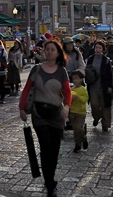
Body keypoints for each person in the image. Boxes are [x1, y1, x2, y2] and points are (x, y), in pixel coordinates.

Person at [19, 39, 71, 197]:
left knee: (54, 149)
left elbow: (67, 91)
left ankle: (51, 177)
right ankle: (49, 182)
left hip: (56, 114)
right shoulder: (36, 69)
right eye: (46, 49)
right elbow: (27, 89)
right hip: (39, 114)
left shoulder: (61, 71)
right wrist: (22, 108)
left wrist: (67, 106)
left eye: (52, 49)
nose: (49, 52)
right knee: (45, 145)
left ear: (58, 53)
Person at [85, 41, 113, 131]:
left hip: (103, 86)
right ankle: (97, 117)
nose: (98, 50)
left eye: (100, 48)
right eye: (96, 48)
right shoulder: (90, 59)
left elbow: (110, 74)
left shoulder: (106, 60)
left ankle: (105, 123)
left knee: (104, 105)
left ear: (103, 49)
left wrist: (110, 86)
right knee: (94, 105)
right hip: (93, 86)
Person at [69, 70, 89, 152]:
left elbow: (85, 99)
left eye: (77, 78)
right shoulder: (72, 89)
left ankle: (83, 138)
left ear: (81, 79)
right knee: (75, 129)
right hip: (73, 111)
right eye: (73, 79)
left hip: (81, 112)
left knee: (78, 128)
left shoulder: (83, 89)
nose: (75, 80)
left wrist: (78, 97)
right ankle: (77, 144)